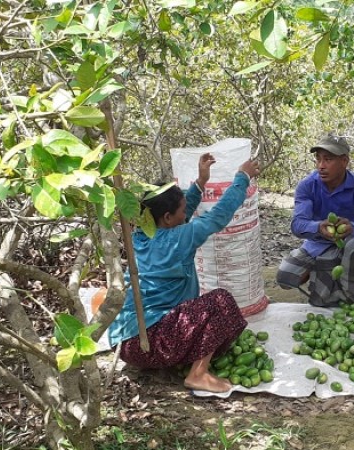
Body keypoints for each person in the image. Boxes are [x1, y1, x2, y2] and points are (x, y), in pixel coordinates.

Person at [106, 153, 260, 393]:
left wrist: (200, 182)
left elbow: (179, 213)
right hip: (152, 343)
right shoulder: (178, 239)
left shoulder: (140, 235)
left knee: (205, 311)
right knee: (220, 302)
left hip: (126, 346)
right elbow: (218, 216)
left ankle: (179, 361)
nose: (185, 215)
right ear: (167, 218)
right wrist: (242, 178)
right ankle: (197, 373)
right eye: (180, 212)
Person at [276, 134, 354, 308]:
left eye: (328, 160)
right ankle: (321, 278)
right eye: (318, 159)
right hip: (316, 244)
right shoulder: (307, 185)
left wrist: (353, 228)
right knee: (285, 278)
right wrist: (319, 227)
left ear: (344, 161)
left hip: (349, 246)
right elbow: (297, 224)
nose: (321, 166)